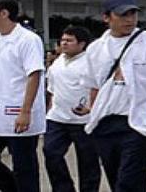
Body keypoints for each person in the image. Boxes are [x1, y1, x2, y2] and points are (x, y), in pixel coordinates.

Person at [80, 0, 146, 192]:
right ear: (106, 17)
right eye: (122, 15)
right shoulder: (96, 48)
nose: (129, 20)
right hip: (106, 122)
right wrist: (92, 112)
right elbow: (94, 86)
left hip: (138, 122)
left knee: (128, 182)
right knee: (116, 180)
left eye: (132, 14)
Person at [0, 0, 46, 192]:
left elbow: (34, 74)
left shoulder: (28, 39)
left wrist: (25, 111)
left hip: (18, 112)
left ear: (4, 13)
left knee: (25, 168)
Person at [43, 26, 101, 192]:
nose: (64, 43)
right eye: (63, 40)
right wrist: (49, 109)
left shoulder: (91, 62)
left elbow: (99, 88)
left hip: (83, 121)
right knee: (51, 152)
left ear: (82, 44)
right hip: (57, 118)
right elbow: (51, 89)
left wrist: (91, 108)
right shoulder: (57, 62)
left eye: (69, 40)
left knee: (88, 161)